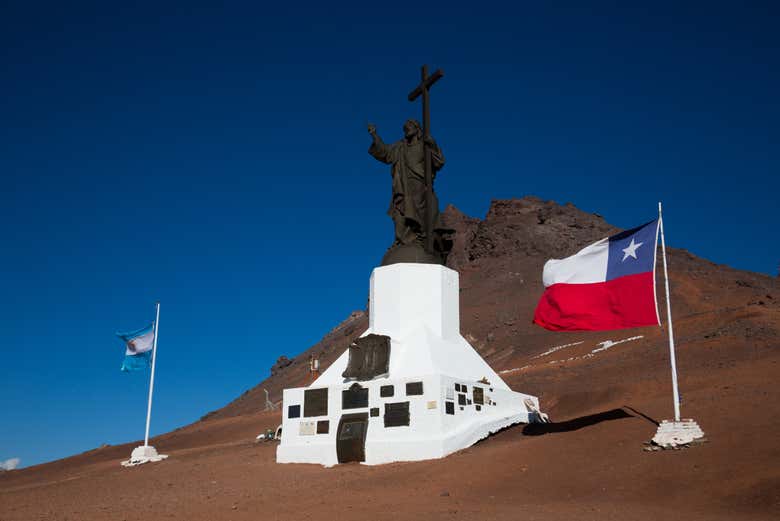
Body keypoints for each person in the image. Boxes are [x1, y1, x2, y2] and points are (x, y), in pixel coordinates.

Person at [367, 119, 446, 250]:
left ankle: (421, 239)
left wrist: (432, 145)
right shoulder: (400, 146)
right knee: (400, 214)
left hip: (419, 185)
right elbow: (385, 152)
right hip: (402, 186)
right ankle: (402, 241)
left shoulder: (424, 145)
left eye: (409, 125)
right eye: (405, 127)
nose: (406, 128)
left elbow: (439, 162)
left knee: (420, 214)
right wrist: (375, 135)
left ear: (417, 128)